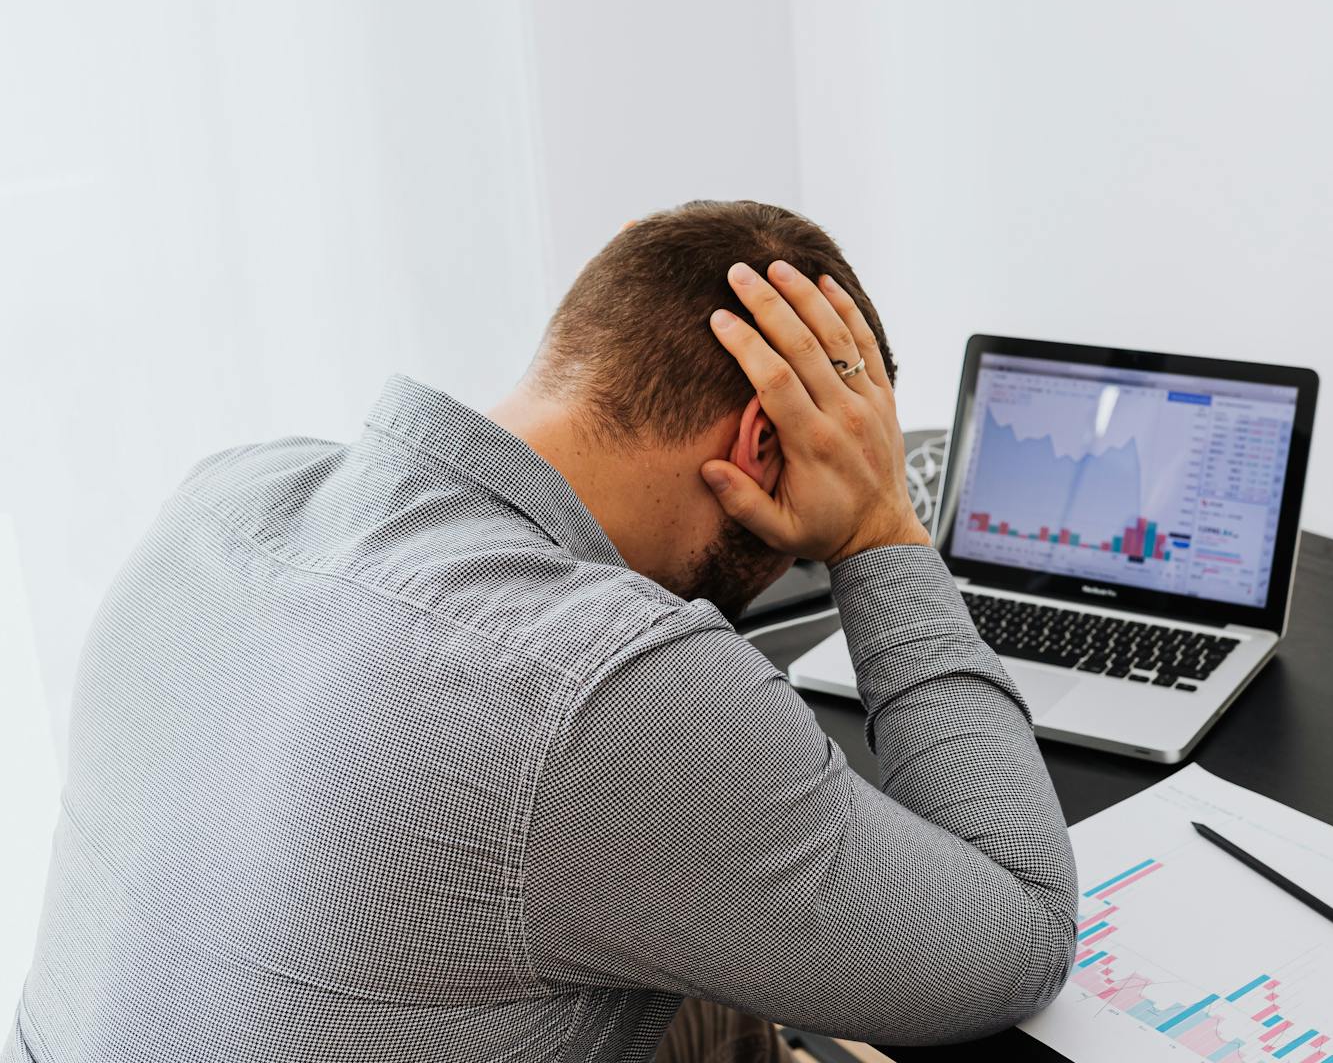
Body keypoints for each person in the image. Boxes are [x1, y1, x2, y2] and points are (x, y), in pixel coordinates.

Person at [7, 201, 1078, 1063]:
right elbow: (1021, 926)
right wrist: (880, 528)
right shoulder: (607, 685)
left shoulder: (223, 498)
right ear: (764, 443)